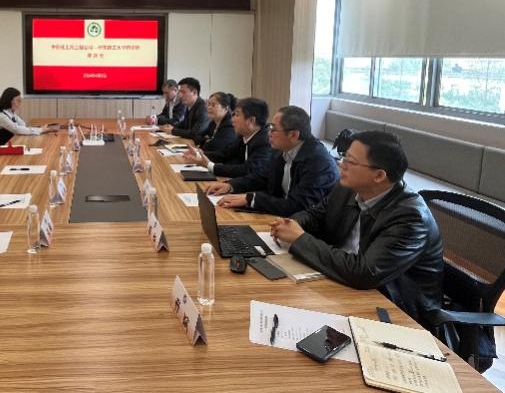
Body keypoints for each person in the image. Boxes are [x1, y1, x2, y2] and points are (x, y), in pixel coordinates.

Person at [270, 131, 443, 327]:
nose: (340, 164)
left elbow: (364, 273)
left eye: (350, 161)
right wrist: (291, 224)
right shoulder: (347, 188)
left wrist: (299, 239)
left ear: (379, 175)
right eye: (343, 157)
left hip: (394, 310)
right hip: (343, 282)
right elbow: (314, 215)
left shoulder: (410, 218)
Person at [207, 105, 338, 216]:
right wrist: (231, 185)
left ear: (293, 134)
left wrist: (252, 199)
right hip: (278, 215)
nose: (269, 133)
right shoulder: (281, 149)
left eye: (273, 129)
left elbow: (298, 206)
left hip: (302, 227)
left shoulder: (319, 163)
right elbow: (262, 177)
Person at [184, 97, 272, 179]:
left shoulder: (265, 142)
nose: (232, 119)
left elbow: (247, 170)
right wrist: (198, 154)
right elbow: (225, 155)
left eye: (237, 115)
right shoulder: (243, 136)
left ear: (251, 120)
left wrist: (210, 165)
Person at [0, 87, 55, 151]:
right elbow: (17, 129)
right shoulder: (1, 116)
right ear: (9, 100)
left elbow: (23, 125)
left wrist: (39, 129)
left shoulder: (11, 113)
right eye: (18, 100)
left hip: (3, 147)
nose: (20, 103)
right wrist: (40, 130)